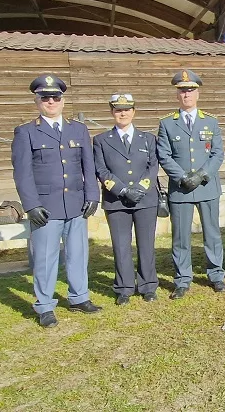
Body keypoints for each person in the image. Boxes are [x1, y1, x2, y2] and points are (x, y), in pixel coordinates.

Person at [11, 74, 101, 328]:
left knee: (77, 254)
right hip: (45, 208)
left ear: (63, 100)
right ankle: (45, 306)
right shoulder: (26, 132)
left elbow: (88, 166)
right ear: (37, 100)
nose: (51, 101)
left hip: (76, 203)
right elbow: (22, 173)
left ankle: (79, 297)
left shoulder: (78, 129)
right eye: (45, 97)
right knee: (45, 257)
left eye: (55, 97)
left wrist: (93, 195)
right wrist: (30, 204)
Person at [157, 69, 225, 299]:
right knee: (180, 237)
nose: (186, 95)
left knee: (212, 234)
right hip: (181, 189)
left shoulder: (211, 121)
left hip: (207, 187)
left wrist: (201, 175)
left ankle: (216, 274)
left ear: (197, 94)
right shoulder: (167, 124)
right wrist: (182, 177)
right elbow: (164, 155)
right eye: (182, 91)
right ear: (177, 95)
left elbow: (217, 154)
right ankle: (182, 279)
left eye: (190, 91)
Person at [93, 93, 160, 305]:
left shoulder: (147, 139)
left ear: (134, 112)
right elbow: (101, 170)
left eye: (127, 109)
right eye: (118, 110)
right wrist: (122, 190)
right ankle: (124, 288)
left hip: (145, 199)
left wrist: (141, 187)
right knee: (121, 245)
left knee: (146, 243)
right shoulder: (101, 140)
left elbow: (153, 166)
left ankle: (148, 285)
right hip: (116, 201)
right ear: (112, 112)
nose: (123, 113)